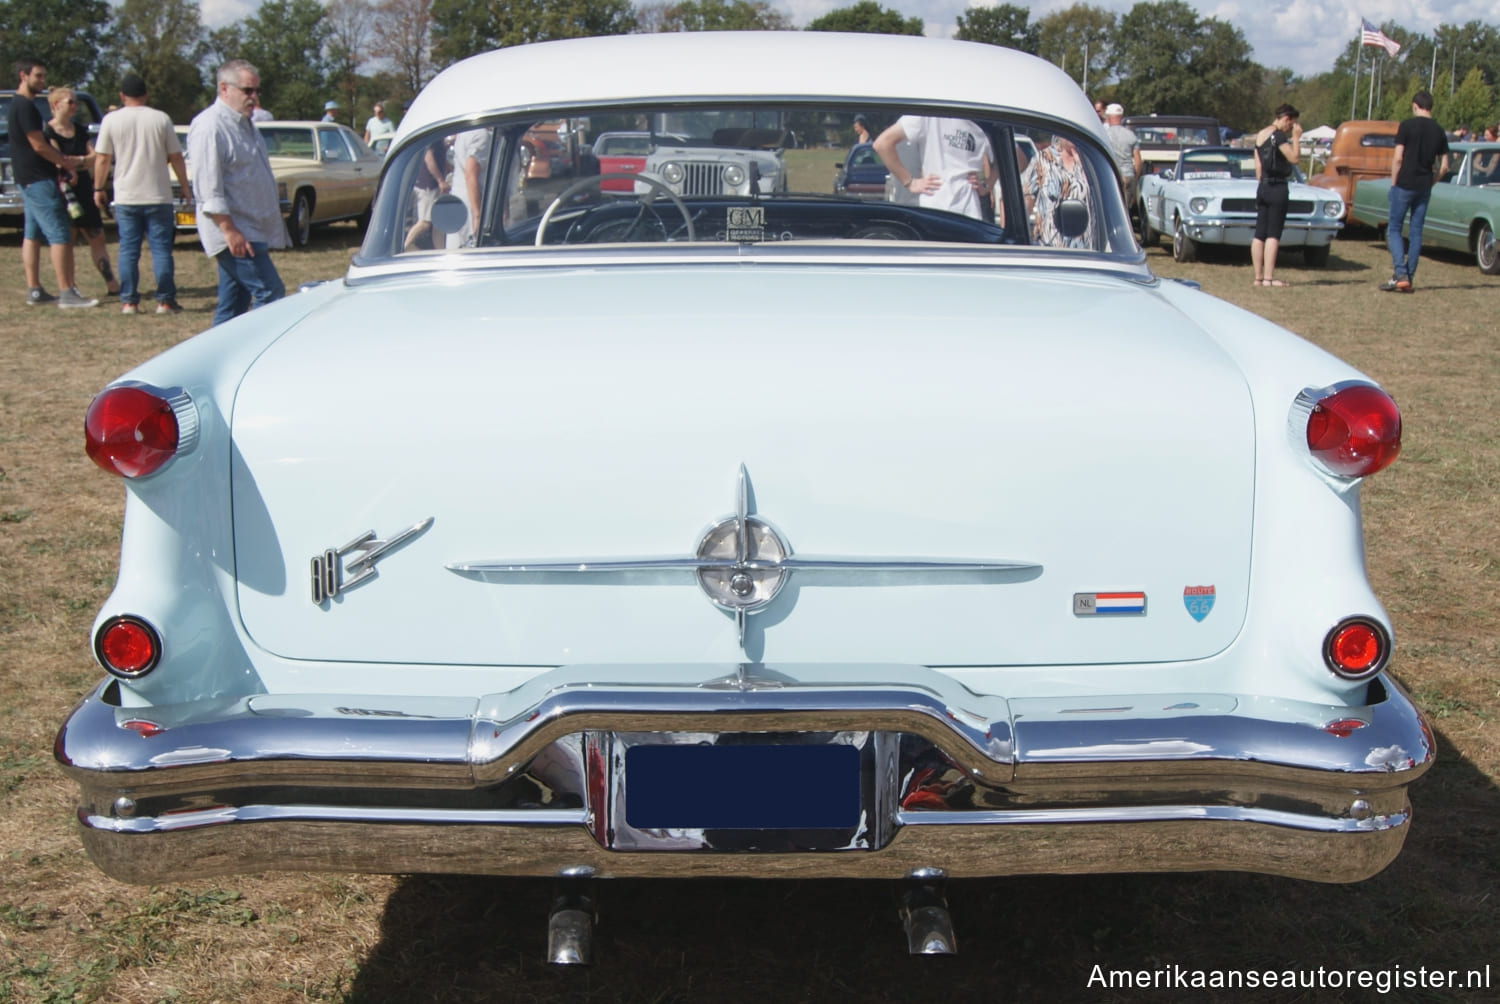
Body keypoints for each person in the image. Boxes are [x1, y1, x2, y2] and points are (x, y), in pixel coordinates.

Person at [187, 59, 287, 325]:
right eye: (247, 91)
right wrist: (229, 230)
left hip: (250, 227)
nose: (254, 98)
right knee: (271, 294)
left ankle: (210, 357)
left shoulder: (244, 124)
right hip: (235, 230)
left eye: (256, 91)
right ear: (224, 88)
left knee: (234, 307)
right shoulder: (210, 126)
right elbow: (208, 187)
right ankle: (261, 359)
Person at [93, 72, 191, 314]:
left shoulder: (111, 120)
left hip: (127, 195)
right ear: (146, 94)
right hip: (157, 193)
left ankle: (129, 301)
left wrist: (98, 187)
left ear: (122, 96)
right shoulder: (160, 119)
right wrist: (185, 186)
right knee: (160, 249)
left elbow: (103, 158)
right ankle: (165, 300)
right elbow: (176, 156)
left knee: (128, 249)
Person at [7, 57, 97, 307]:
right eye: (38, 76)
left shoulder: (18, 106)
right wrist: (63, 161)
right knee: (59, 234)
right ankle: (66, 291)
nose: (42, 81)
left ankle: (34, 290)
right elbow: (38, 145)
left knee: (32, 234)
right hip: (37, 179)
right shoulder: (25, 107)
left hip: (26, 179)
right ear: (23, 76)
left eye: (44, 76)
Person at [44, 86, 119, 298]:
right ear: (56, 105)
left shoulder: (79, 129)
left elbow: (93, 156)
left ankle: (112, 284)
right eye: (70, 102)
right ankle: (70, 286)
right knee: (67, 239)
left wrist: (78, 162)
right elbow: (57, 158)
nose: (75, 106)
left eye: (75, 102)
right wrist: (77, 163)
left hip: (85, 188)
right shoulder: (47, 131)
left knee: (97, 236)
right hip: (64, 190)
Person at [1381, 91, 1449, 293]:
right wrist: (1433, 181)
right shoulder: (1439, 130)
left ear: (1415, 105)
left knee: (1394, 228)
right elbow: (1444, 165)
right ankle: (1408, 277)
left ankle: (1400, 273)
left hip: (1404, 183)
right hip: (1424, 186)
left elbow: (1398, 158)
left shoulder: (1407, 126)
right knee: (1416, 232)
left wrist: (1393, 182)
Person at [872, 115, 995, 221]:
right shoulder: (928, 116)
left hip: (969, 212)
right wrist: (910, 182)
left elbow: (1010, 153)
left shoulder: (980, 121)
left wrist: (986, 185)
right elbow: (882, 144)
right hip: (935, 210)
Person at [1251, 103, 1301, 287]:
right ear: (1286, 119)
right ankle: (1269, 278)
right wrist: (1296, 139)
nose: (1290, 129)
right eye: (1291, 124)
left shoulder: (1261, 135)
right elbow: (1294, 158)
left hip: (1263, 185)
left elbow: (1258, 165)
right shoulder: (1278, 136)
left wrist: (1261, 183)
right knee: (1273, 234)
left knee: (1259, 234)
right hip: (1277, 186)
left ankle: (1257, 277)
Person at [1022, 134, 1092, 248]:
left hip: (1085, 248)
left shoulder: (1089, 160)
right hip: (1049, 246)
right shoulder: (1043, 159)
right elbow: (1027, 197)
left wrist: (1083, 168)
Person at [403, 134, 449, 251]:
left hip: (428, 184)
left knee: (437, 223)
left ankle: (440, 251)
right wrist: (440, 180)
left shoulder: (438, 137)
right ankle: (403, 247)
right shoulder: (433, 138)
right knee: (425, 222)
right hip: (428, 185)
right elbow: (428, 158)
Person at [1102, 103, 1141, 206]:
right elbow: (1138, 162)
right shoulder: (1131, 135)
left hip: (1111, 176)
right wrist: (1134, 177)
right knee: (1126, 210)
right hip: (1128, 175)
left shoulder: (1104, 135)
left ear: (1109, 117)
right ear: (1121, 117)